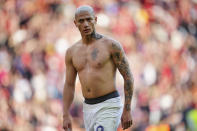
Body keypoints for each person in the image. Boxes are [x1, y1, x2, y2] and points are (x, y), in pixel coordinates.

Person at [63, 5, 134, 131]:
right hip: (88, 108)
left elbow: (128, 77)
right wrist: (65, 114)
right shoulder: (71, 52)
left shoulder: (111, 45)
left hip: (109, 105)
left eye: (88, 19)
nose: (85, 24)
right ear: (75, 23)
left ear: (95, 20)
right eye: (81, 21)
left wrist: (127, 109)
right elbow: (69, 84)